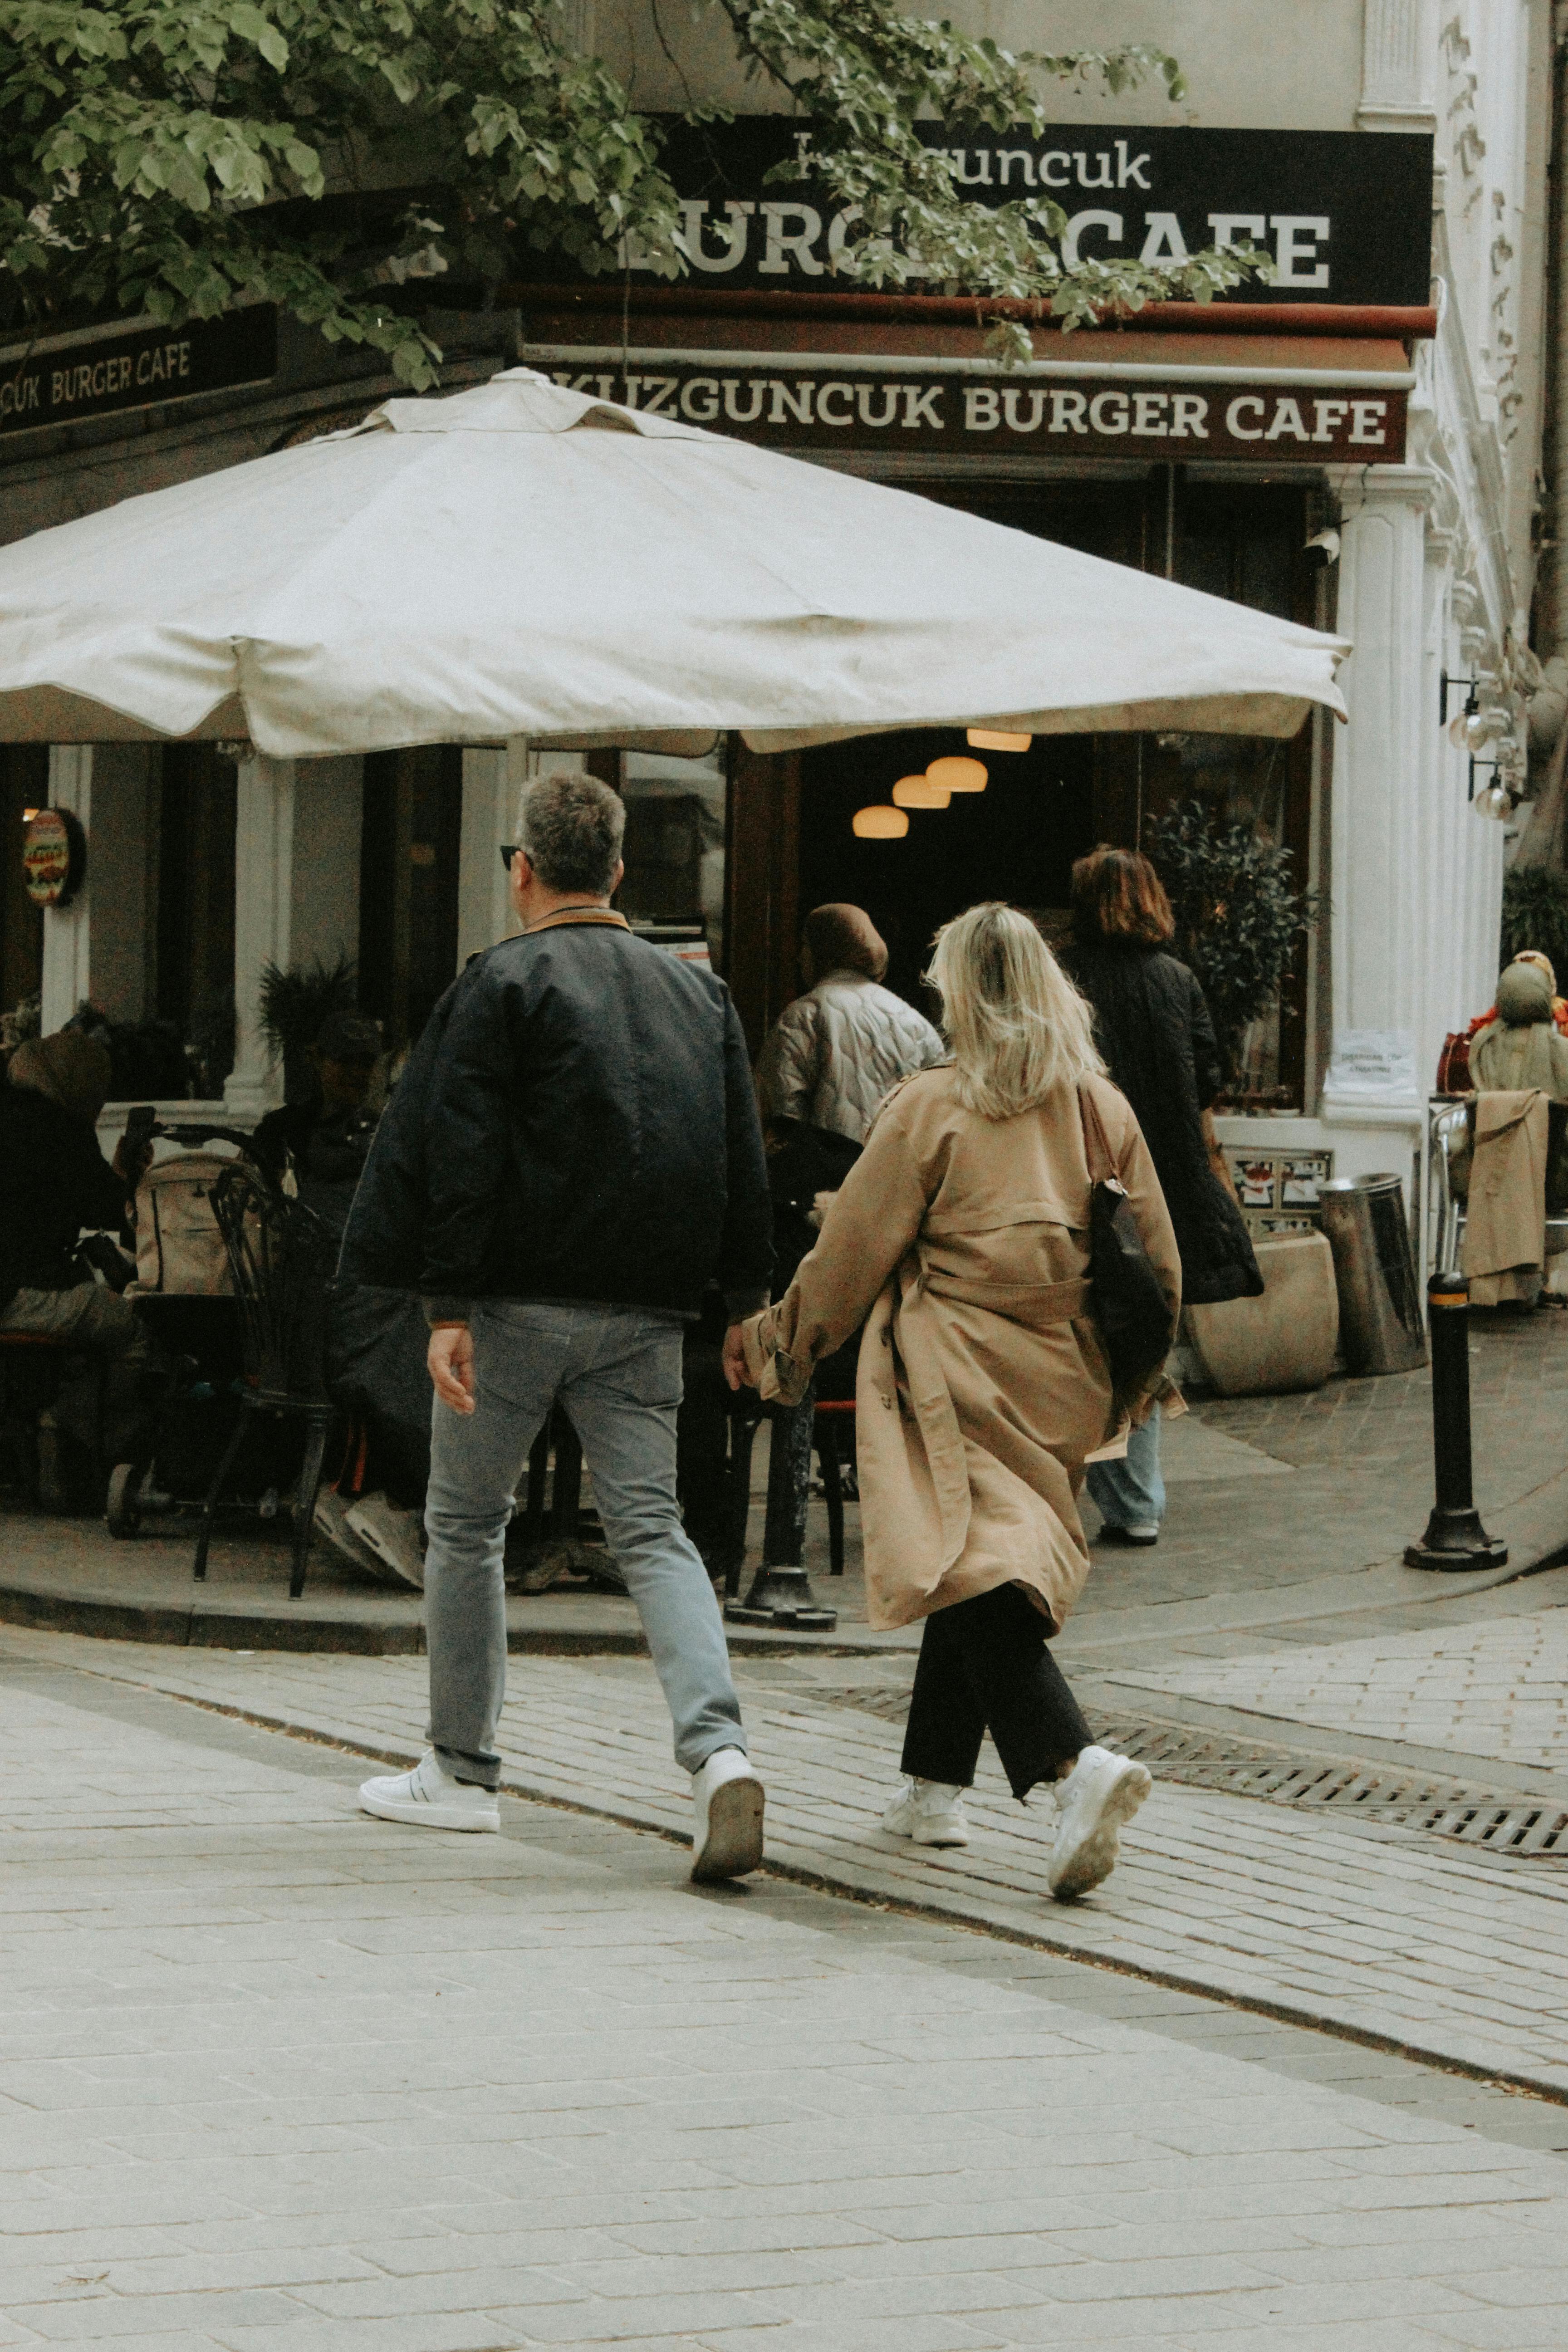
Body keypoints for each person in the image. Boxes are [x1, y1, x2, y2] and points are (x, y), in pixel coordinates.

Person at [343, 772, 774, 1882]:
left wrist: (443, 1304)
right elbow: (740, 1159)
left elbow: (459, 1149)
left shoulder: (500, 980)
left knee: (469, 1523)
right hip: (647, 1316)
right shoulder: (702, 997)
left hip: (515, 1305)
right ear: (620, 871)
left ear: (522, 869)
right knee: (652, 1531)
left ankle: (462, 1767)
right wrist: (742, 1302)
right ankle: (717, 1751)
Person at [737, 902, 1179, 1900]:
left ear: (963, 997)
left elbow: (849, 1253)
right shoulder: (1100, 1108)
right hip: (1062, 1376)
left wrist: (781, 1348)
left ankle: (1071, 1766)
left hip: (955, 1371)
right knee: (968, 1552)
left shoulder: (932, 1105)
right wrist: (1140, 1383)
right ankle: (934, 1788)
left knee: (973, 1566)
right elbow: (1158, 1259)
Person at [1068, 846, 1262, 1547]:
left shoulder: (1068, 980)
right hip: (1169, 1179)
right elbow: (1208, 1074)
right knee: (1147, 1328)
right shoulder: (1178, 980)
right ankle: (1135, 1496)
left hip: (1088, 1176)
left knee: (1091, 1330)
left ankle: (1129, 1495)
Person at [0, 1032, 151, 1356]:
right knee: (135, 1326)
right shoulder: (60, 1127)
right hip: (15, 1296)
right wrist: (127, 1174)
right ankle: (103, 1407)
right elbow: (109, 1209)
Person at [756, 902, 945, 1146]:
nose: (799, 957)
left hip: (827, 1178)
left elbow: (779, 1112)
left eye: (804, 945)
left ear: (822, 951)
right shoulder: (916, 1023)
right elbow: (935, 1112)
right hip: (894, 1173)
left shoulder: (804, 1016)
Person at [250, 1009, 383, 1229]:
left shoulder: (387, 1130)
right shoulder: (281, 1128)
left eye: (366, 1063)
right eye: (346, 1061)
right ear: (317, 1059)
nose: (357, 1072)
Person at [1469, 957, 1568, 1098]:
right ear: (1546, 995)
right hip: (1544, 1120)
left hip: (1494, 1119)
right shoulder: (1562, 1048)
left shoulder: (1482, 1043)